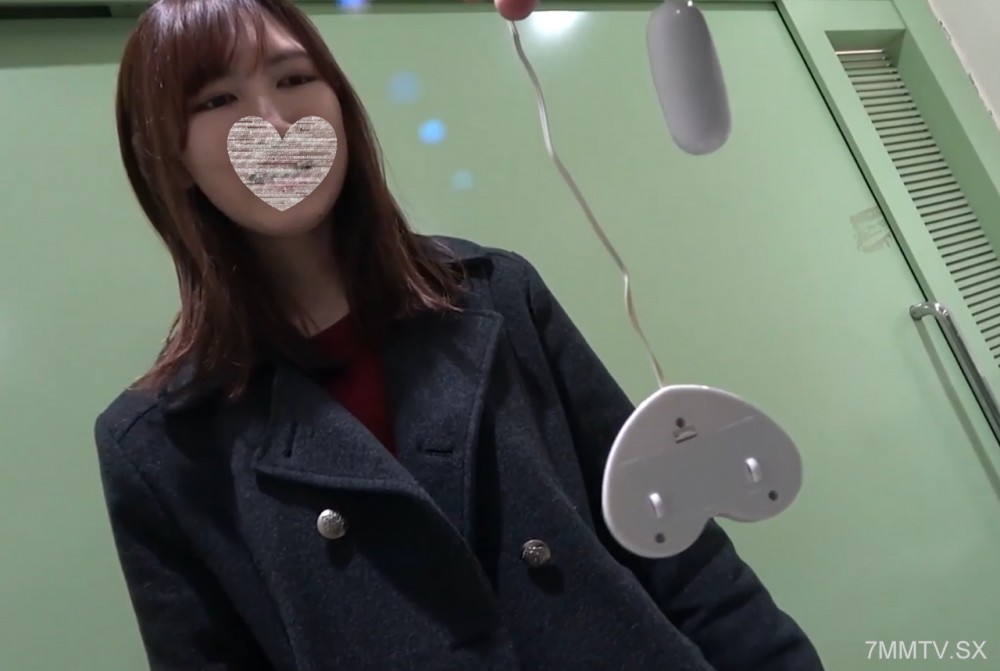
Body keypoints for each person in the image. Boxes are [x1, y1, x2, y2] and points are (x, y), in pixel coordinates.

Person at [95, 0, 826, 669]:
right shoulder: (158, 444)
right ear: (172, 157)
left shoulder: (497, 293)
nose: (275, 120)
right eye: (218, 100)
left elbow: (676, 546)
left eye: (294, 78)